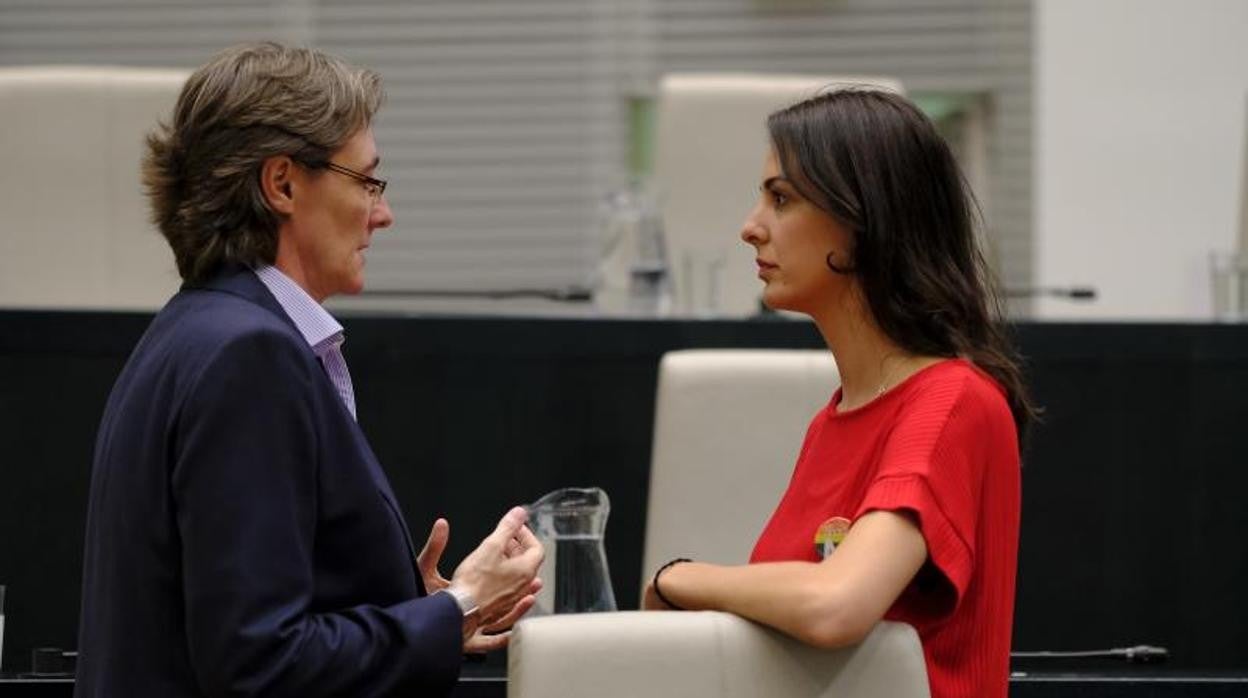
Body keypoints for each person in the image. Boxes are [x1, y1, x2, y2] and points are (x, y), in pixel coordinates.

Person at [75, 42, 543, 698]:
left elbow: (236, 622)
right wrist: (456, 606)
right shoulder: (249, 357)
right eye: (366, 181)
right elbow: (259, 664)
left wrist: (416, 611)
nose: (383, 213)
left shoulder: (189, 331)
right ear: (283, 183)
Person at [642, 88, 1034, 698]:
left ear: (862, 221)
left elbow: (835, 604)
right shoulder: (837, 419)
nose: (750, 228)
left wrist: (679, 577)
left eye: (781, 199)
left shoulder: (950, 402)